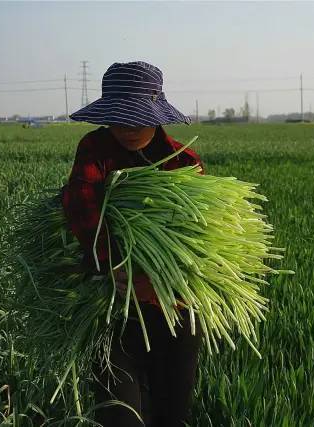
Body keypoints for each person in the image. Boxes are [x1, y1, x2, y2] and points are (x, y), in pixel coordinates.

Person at [61, 61, 203, 427]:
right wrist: (112, 261)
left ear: (157, 116)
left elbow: (200, 234)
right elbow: (80, 202)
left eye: (137, 119)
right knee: (119, 415)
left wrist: (173, 273)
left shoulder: (184, 163)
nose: (126, 129)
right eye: (119, 119)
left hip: (174, 309)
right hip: (111, 307)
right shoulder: (95, 150)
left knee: (171, 415)